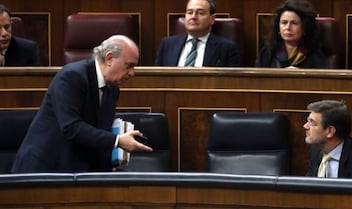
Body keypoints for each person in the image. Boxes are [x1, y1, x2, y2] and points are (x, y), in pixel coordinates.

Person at [11, 35, 152, 173]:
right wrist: (118, 141)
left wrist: (108, 166)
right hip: (45, 169)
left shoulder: (112, 89)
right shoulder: (72, 76)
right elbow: (71, 127)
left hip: (78, 171)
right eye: (129, 65)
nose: (132, 73)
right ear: (109, 58)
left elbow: (100, 131)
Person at [155, 0, 241, 67]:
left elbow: (232, 82)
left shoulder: (227, 48)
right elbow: (157, 79)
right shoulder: (167, 44)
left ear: (212, 19)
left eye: (200, 13)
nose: (193, 17)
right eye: (189, 12)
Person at [255, 0, 327, 68]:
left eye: (294, 23)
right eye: (284, 22)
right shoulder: (267, 52)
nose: (288, 27)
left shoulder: (315, 55)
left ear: (305, 28)